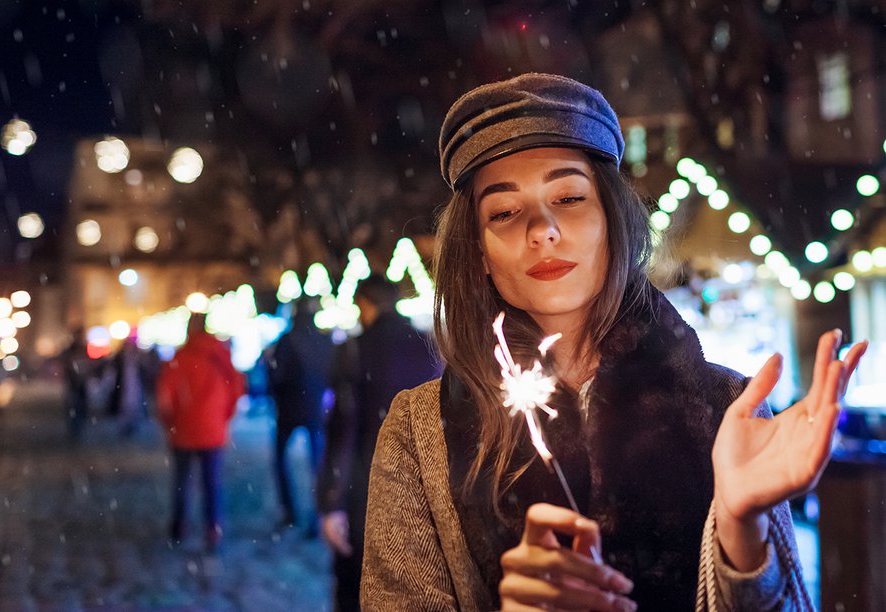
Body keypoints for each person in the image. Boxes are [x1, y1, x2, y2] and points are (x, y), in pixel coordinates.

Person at [361, 73, 868, 611]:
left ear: (613, 221)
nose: (543, 228)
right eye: (504, 212)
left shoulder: (729, 410)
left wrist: (743, 533)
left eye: (570, 196)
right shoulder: (420, 433)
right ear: (481, 253)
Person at [317, 274, 442, 611]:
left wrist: (332, 502)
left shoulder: (354, 350)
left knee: (356, 583)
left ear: (364, 304)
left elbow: (342, 431)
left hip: (367, 480)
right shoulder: (427, 345)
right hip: (423, 483)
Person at [157, 313, 245, 550]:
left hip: (183, 430)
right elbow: (236, 390)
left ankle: (178, 526)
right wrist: (223, 418)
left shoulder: (180, 358)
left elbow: (164, 398)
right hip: (212, 430)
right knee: (212, 483)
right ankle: (212, 529)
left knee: (182, 481)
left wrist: (170, 423)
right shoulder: (220, 355)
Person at [268, 297, 335, 533]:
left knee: (280, 462)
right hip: (315, 409)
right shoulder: (324, 340)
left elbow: (277, 376)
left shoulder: (287, 340)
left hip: (289, 408)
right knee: (317, 465)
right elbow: (333, 375)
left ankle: (290, 511)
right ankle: (317, 516)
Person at [61, 328, 92, 440]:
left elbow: (88, 365)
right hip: (73, 383)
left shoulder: (83, 348)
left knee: (79, 406)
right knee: (74, 405)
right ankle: (75, 428)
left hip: (81, 383)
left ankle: (78, 427)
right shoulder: (72, 349)